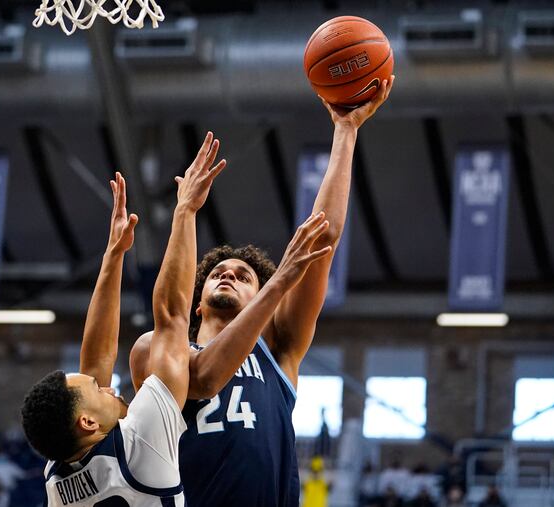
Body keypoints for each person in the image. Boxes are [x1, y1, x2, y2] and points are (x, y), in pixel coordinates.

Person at [130, 79, 394, 507]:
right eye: (218, 272)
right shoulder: (159, 350)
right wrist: (187, 211)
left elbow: (322, 240)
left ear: (260, 304)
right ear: (197, 302)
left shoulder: (278, 350)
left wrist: (346, 132)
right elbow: (200, 379)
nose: (229, 275)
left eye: (243, 276)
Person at [21, 136, 224, 506]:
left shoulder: (58, 474)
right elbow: (173, 319)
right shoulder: (142, 444)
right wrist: (186, 212)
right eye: (99, 392)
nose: (108, 386)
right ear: (87, 423)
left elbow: (95, 364)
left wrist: (113, 258)